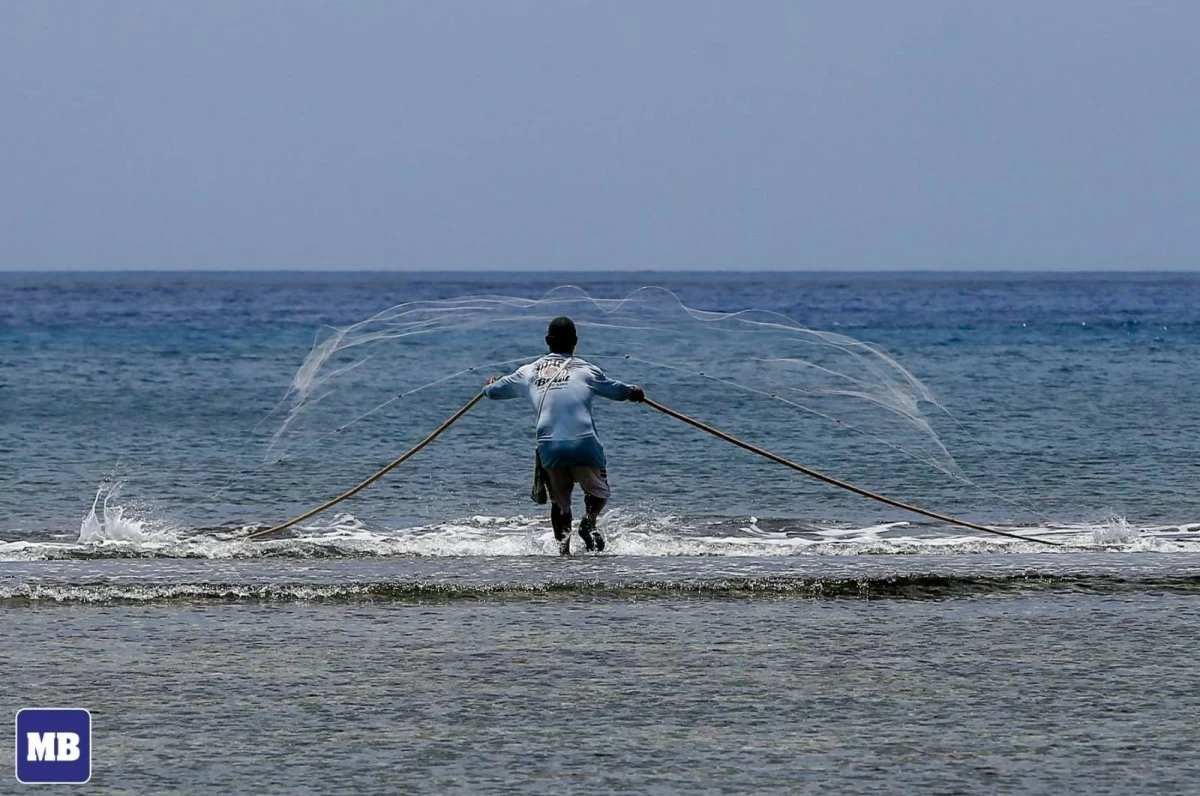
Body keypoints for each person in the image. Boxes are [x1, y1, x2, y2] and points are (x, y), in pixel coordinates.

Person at [484, 316, 644, 554]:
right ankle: (589, 521)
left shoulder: (527, 372)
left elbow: (493, 392)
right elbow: (617, 391)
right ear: (575, 342)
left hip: (550, 447)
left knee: (560, 504)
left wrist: (490, 384)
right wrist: (634, 392)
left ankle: (563, 554)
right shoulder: (587, 370)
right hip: (584, 444)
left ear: (547, 341)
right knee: (598, 493)